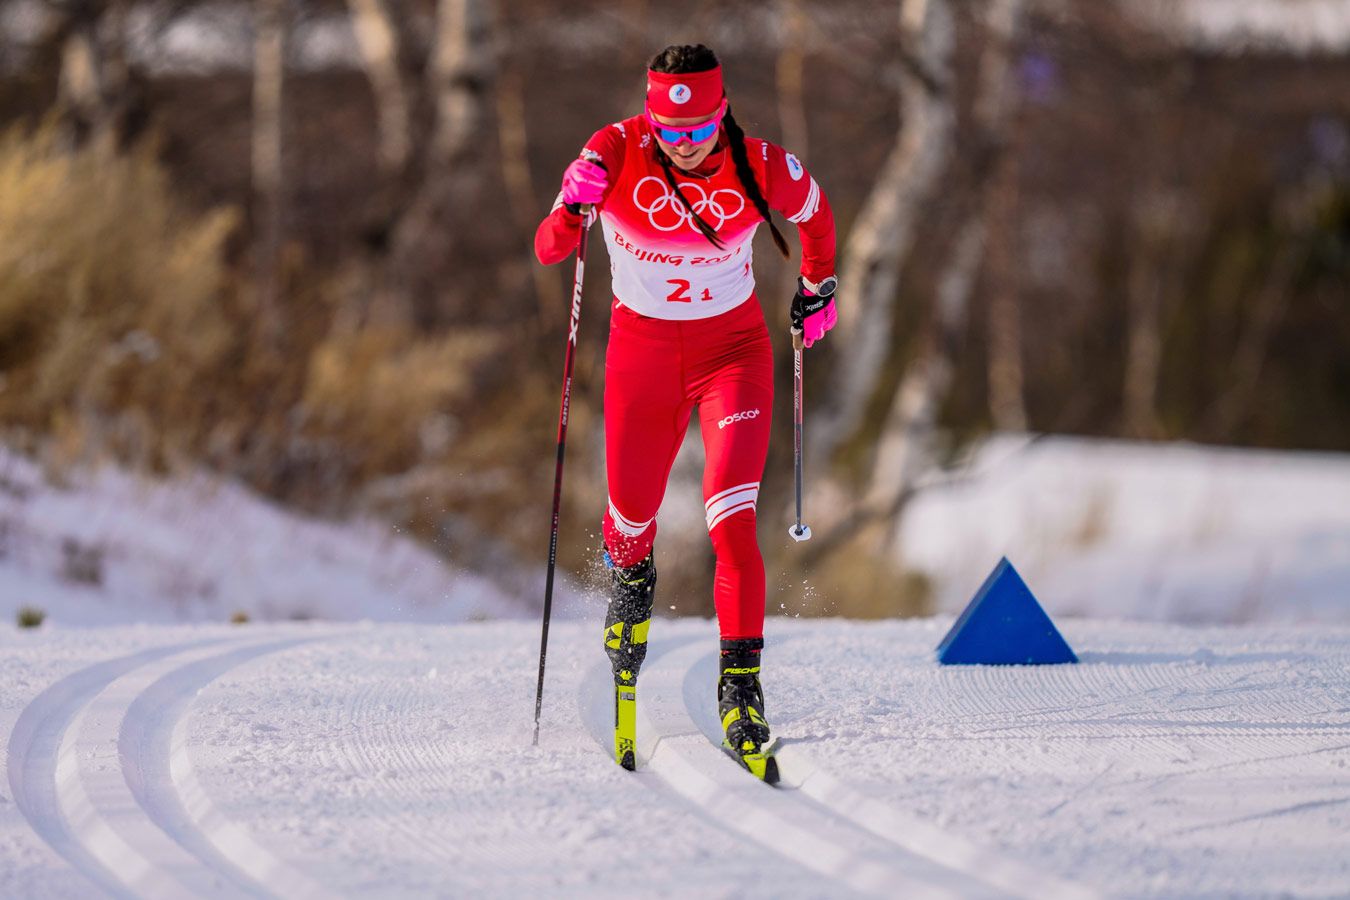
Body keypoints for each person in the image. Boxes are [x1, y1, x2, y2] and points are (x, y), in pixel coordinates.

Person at [534, 43, 837, 774]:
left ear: (722, 112)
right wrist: (574, 205)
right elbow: (550, 250)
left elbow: (818, 219)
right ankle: (632, 583)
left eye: (699, 130)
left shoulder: (760, 165)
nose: (685, 145)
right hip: (642, 362)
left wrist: (819, 288)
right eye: (670, 133)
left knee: (731, 523)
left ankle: (742, 687)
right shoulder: (612, 152)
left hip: (733, 355)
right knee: (629, 521)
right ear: (650, 119)